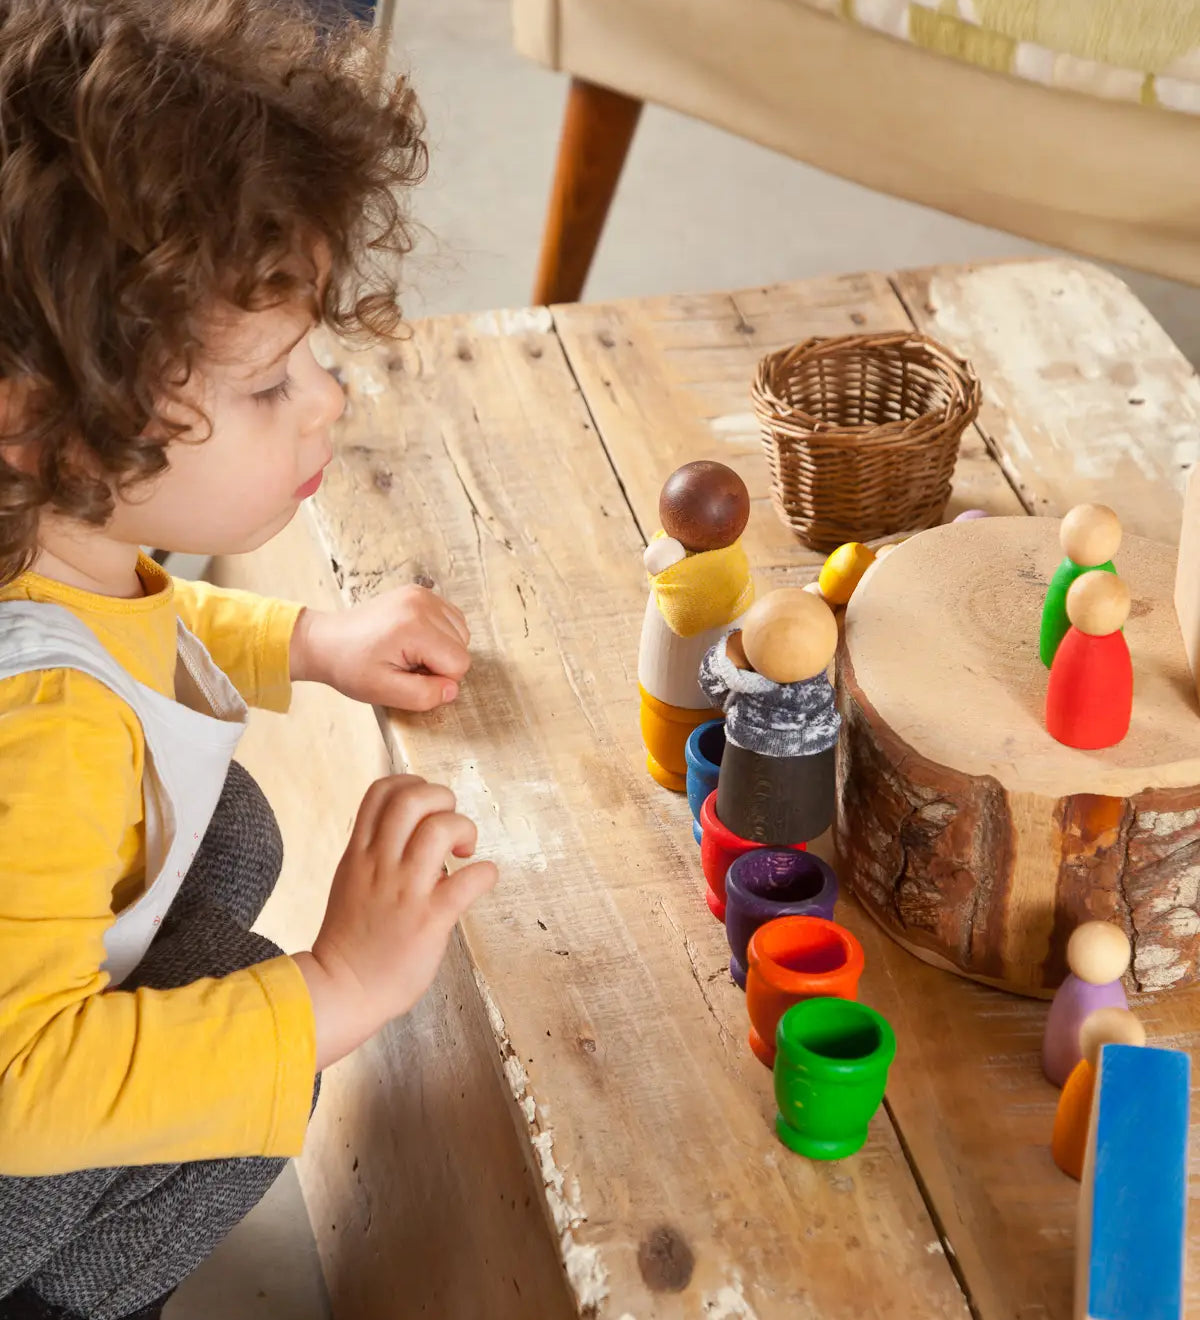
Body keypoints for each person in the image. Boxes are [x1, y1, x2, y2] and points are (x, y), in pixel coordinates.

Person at [0, 2, 498, 1316]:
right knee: (262, 1047)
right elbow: (18, 1089)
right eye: (272, 384)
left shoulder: (40, 542)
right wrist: (338, 988)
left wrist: (313, 643)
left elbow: (117, 636)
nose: (327, 398)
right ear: (44, 426)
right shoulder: (40, 737)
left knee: (226, 833)